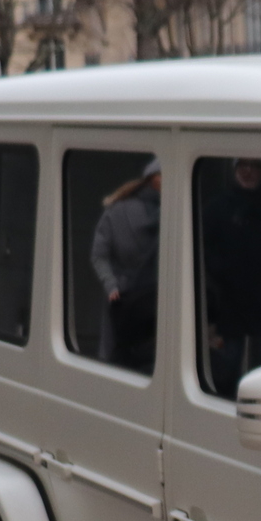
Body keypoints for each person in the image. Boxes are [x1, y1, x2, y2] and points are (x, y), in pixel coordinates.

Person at [200, 157, 261, 394]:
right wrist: (222, 274)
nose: (248, 172)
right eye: (242, 166)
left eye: (254, 166)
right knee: (227, 364)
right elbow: (204, 247)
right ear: (235, 170)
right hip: (230, 297)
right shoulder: (217, 207)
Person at [92, 158, 162, 370]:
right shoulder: (118, 211)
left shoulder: (179, 211)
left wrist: (112, 285)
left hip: (143, 300)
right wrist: (111, 284)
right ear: (152, 180)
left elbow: (99, 255)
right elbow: (100, 255)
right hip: (128, 300)